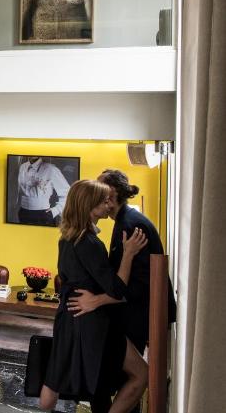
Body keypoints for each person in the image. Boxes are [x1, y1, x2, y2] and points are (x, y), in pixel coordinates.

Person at [66, 170, 177, 412]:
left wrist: (97, 301)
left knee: (123, 377)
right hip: (129, 312)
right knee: (117, 377)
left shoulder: (130, 225)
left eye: (100, 189)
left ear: (112, 193)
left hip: (136, 314)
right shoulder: (123, 222)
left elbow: (137, 285)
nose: (97, 193)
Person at [40, 179, 149, 413]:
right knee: (141, 373)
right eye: (103, 201)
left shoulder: (66, 238)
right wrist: (129, 253)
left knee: (57, 376)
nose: (109, 205)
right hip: (94, 324)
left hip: (69, 317)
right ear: (89, 205)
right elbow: (117, 289)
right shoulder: (89, 242)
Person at [17, 156, 71, 226]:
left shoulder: (51, 169)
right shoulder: (22, 167)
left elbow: (68, 193)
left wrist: (55, 210)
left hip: (43, 215)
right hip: (24, 213)